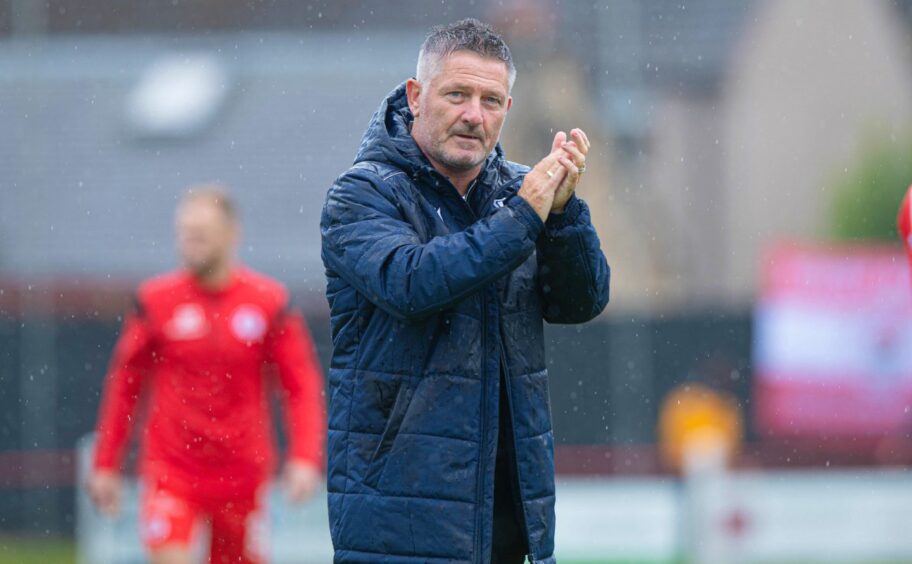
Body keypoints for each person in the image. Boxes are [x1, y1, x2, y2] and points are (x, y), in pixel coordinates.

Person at [320, 19, 610, 564]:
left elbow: (581, 302)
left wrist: (566, 214)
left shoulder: (522, 195)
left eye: (492, 100)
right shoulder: (360, 194)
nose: (474, 115)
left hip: (511, 520)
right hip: (399, 521)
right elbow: (413, 283)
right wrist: (527, 214)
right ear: (416, 95)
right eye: (457, 94)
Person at [86, 187, 326, 564]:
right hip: (172, 470)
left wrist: (305, 457)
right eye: (184, 234)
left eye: (201, 234)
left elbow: (301, 386)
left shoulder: (269, 303)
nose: (189, 243)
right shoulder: (154, 302)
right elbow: (124, 387)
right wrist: (105, 464)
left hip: (243, 474)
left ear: (231, 235)